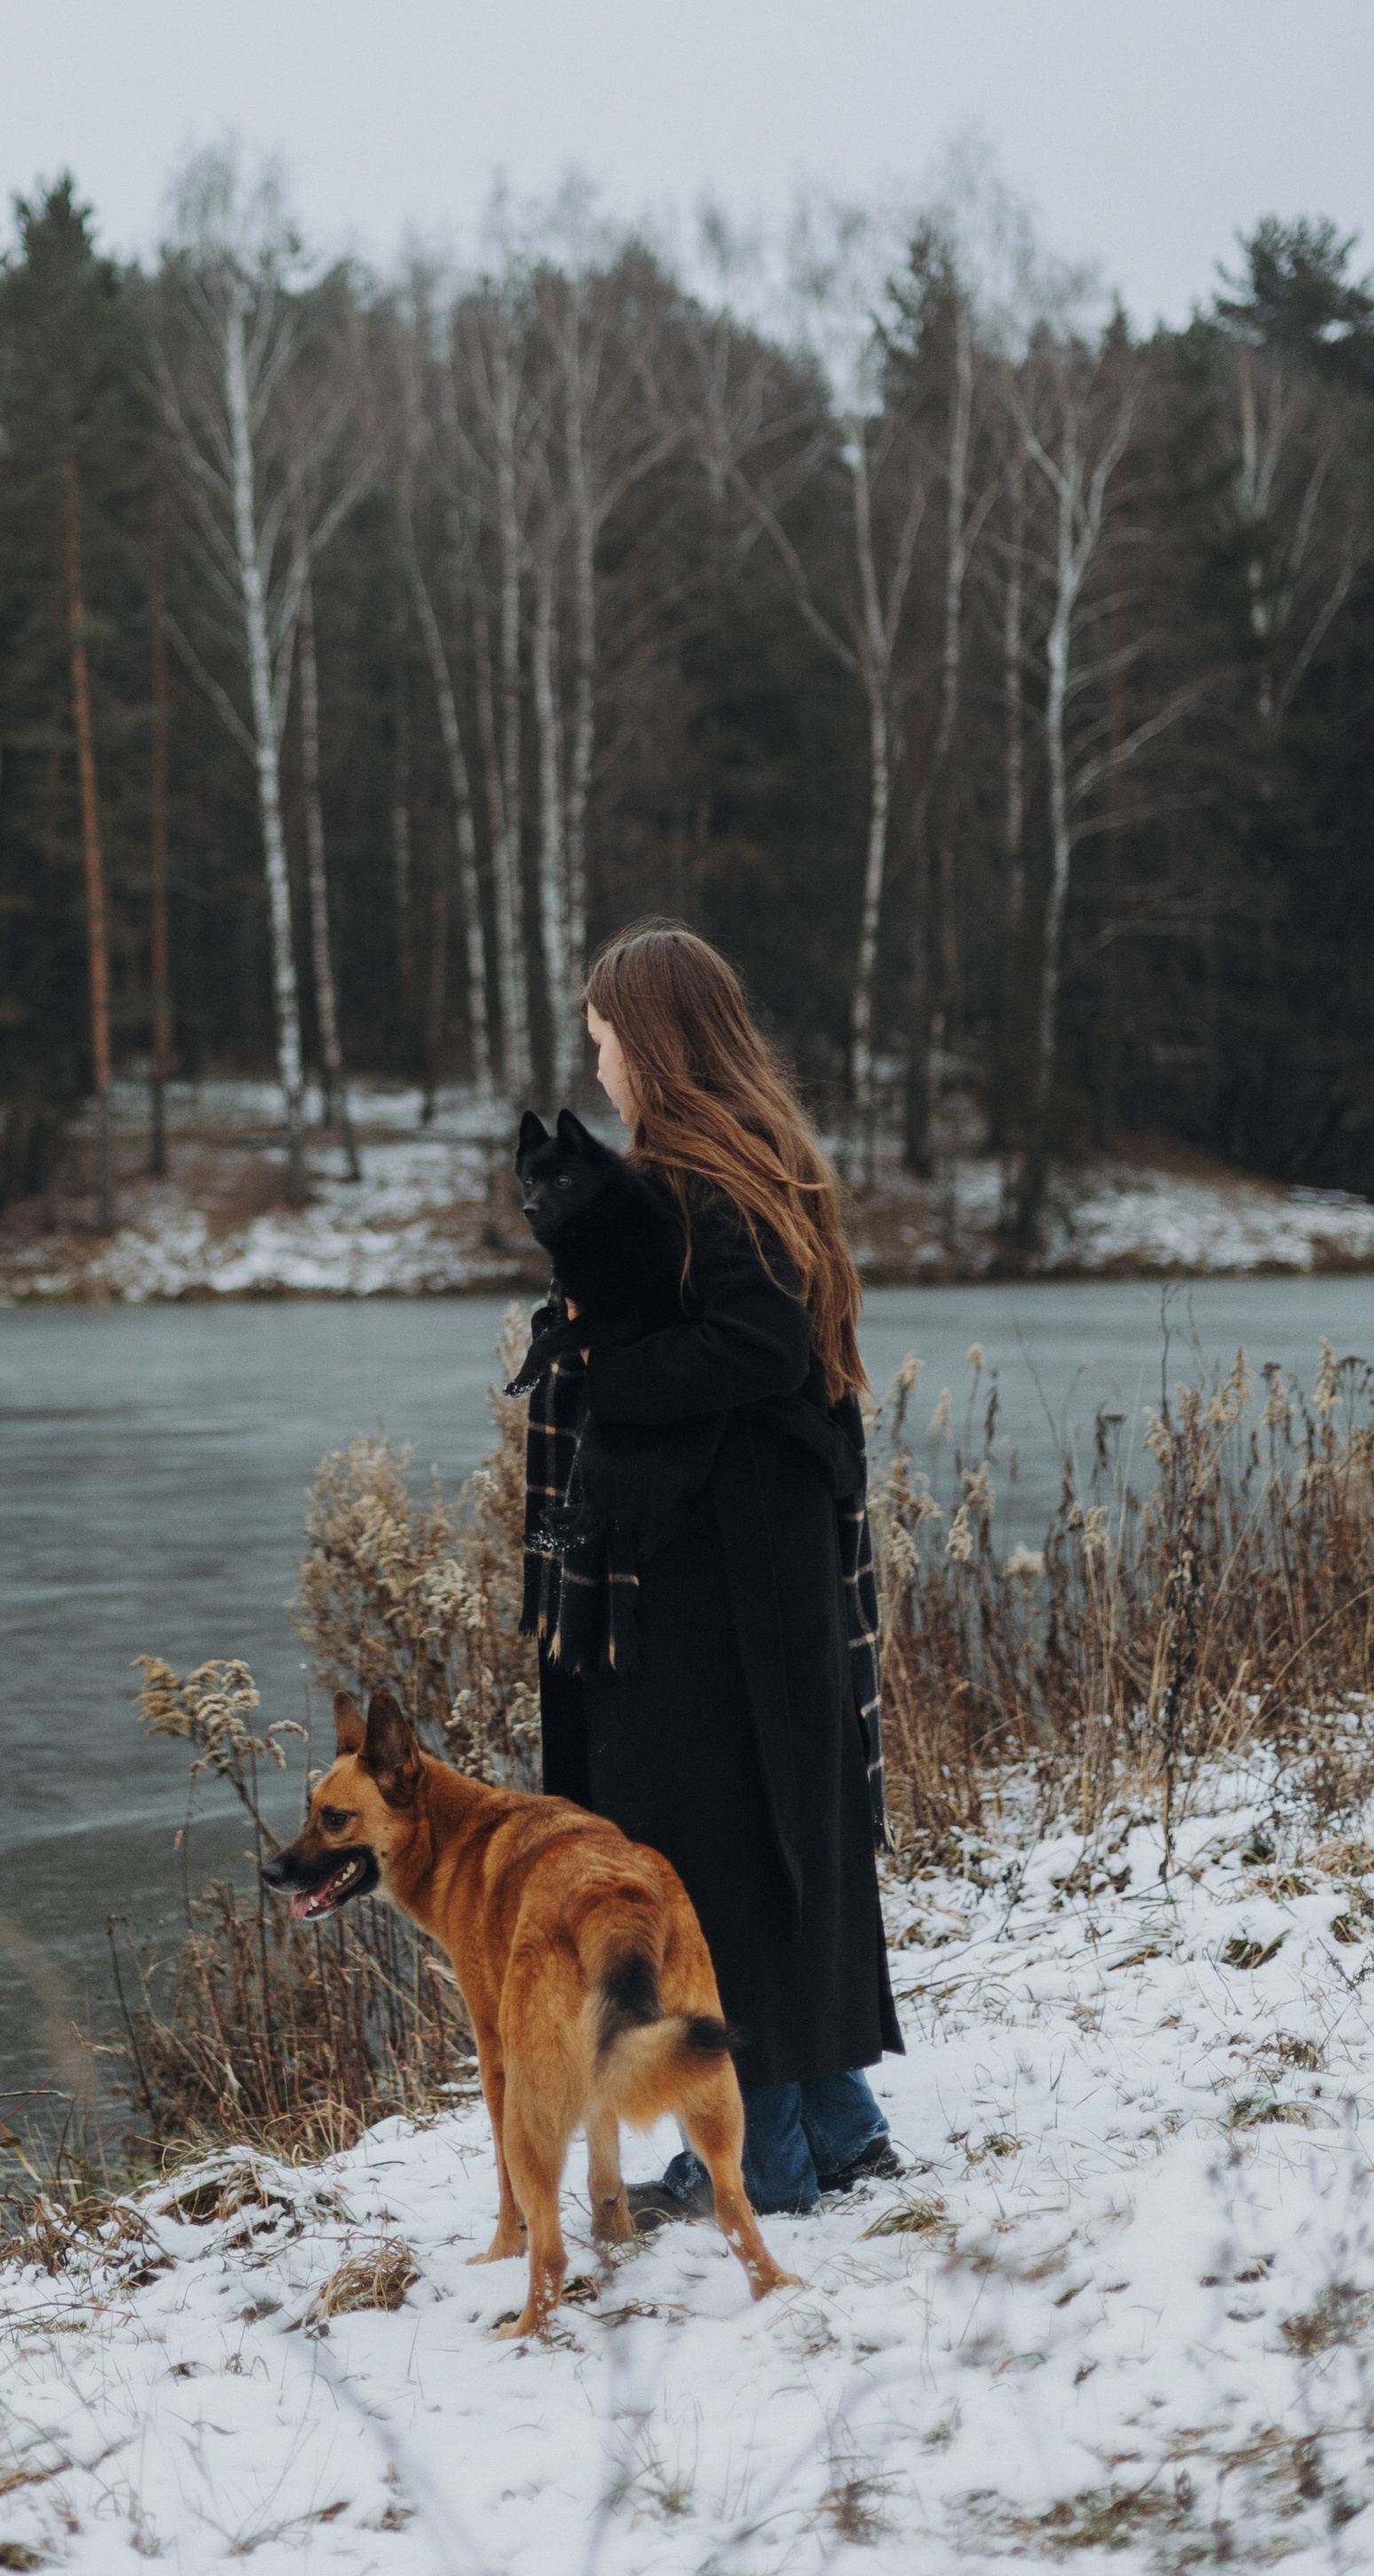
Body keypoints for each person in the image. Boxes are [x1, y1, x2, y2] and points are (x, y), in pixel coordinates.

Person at [527, 918, 902, 2219]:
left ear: (655, 1043)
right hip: (767, 1564)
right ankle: (843, 2130)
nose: (601, 1064)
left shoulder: (697, 1177)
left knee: (711, 1859)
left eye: (605, 1039)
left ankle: (772, 2165)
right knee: (775, 1843)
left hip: (718, 1585)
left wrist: (603, 1372)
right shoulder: (763, 1159)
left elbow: (755, 1348)